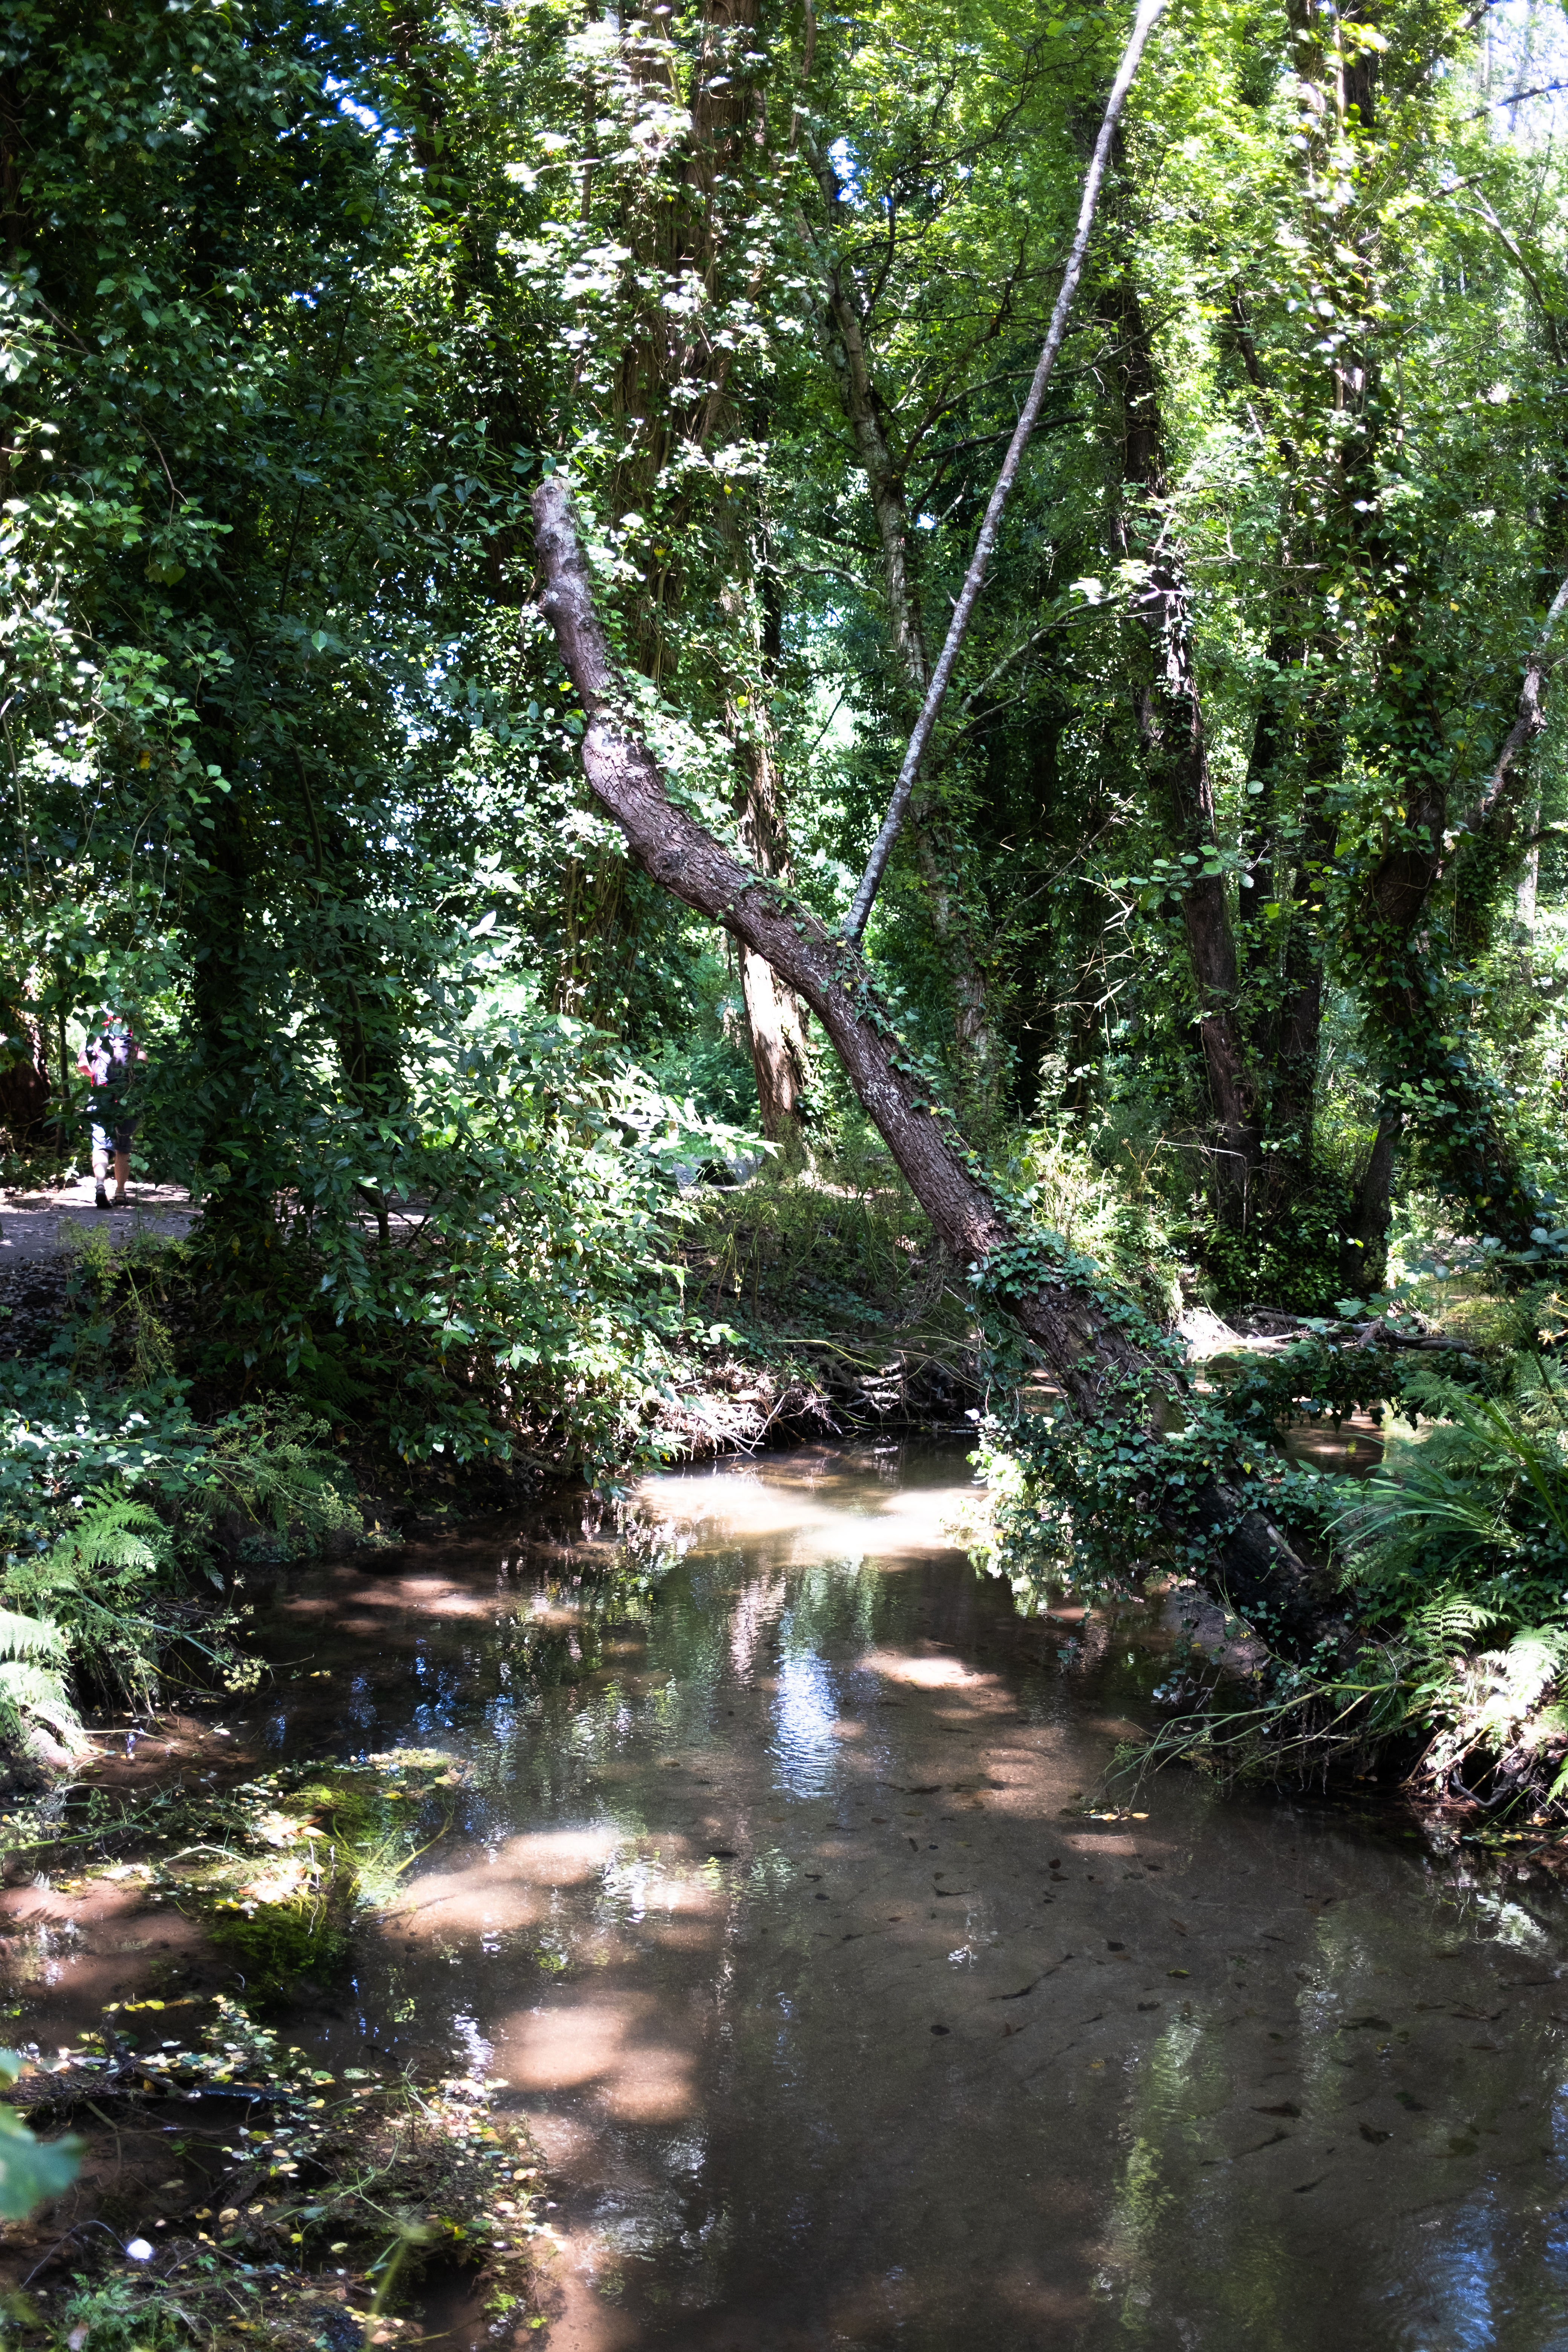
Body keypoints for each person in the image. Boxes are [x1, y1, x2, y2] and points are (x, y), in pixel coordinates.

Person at [77, 1009, 145, 1210]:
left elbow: (81, 1064)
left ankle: (100, 1185)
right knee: (123, 1148)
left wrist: (95, 1075)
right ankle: (121, 1193)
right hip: (127, 1097)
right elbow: (142, 1060)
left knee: (100, 1145)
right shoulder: (132, 1034)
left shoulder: (96, 1034)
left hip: (101, 1095)